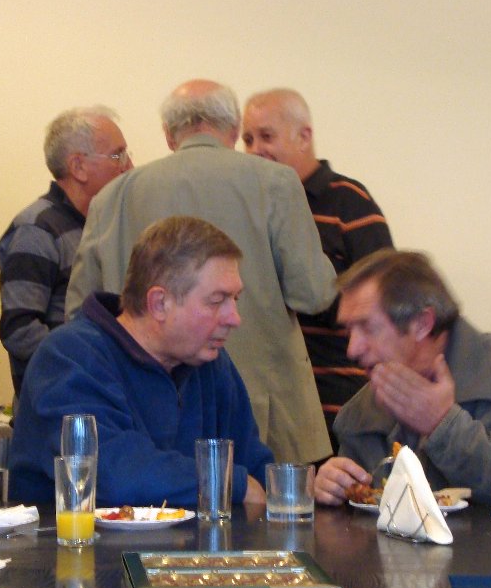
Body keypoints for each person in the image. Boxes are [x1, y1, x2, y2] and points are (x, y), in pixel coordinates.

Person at [67, 79, 337, 464]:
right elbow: (312, 293)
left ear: (168, 134)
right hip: (264, 411)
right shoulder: (276, 182)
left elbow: (81, 312)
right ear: (234, 129)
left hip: (143, 407)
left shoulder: (112, 197)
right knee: (264, 501)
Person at [10, 216, 273, 507]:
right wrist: (232, 484)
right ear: (159, 303)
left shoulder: (210, 362)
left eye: (235, 299)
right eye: (217, 300)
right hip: (73, 537)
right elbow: (113, 474)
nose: (234, 318)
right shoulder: (68, 357)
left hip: (192, 538)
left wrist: (298, 487)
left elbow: (254, 464)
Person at [311, 249, 491, 507]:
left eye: (368, 327)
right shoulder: (357, 415)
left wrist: (443, 425)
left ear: (422, 324)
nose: (352, 349)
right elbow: (362, 521)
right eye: (349, 331)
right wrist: (333, 491)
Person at [243, 88, 393, 450]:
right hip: (276, 409)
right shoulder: (250, 206)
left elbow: (385, 302)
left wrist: (310, 291)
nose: (255, 149)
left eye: (267, 136)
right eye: (247, 139)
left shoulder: (349, 201)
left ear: (304, 136)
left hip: (340, 406)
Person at [0, 106, 131, 398]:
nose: (129, 166)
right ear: (78, 166)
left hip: (105, 397)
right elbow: (20, 331)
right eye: (118, 155)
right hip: (61, 405)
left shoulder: (104, 225)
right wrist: (95, 366)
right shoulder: (36, 229)